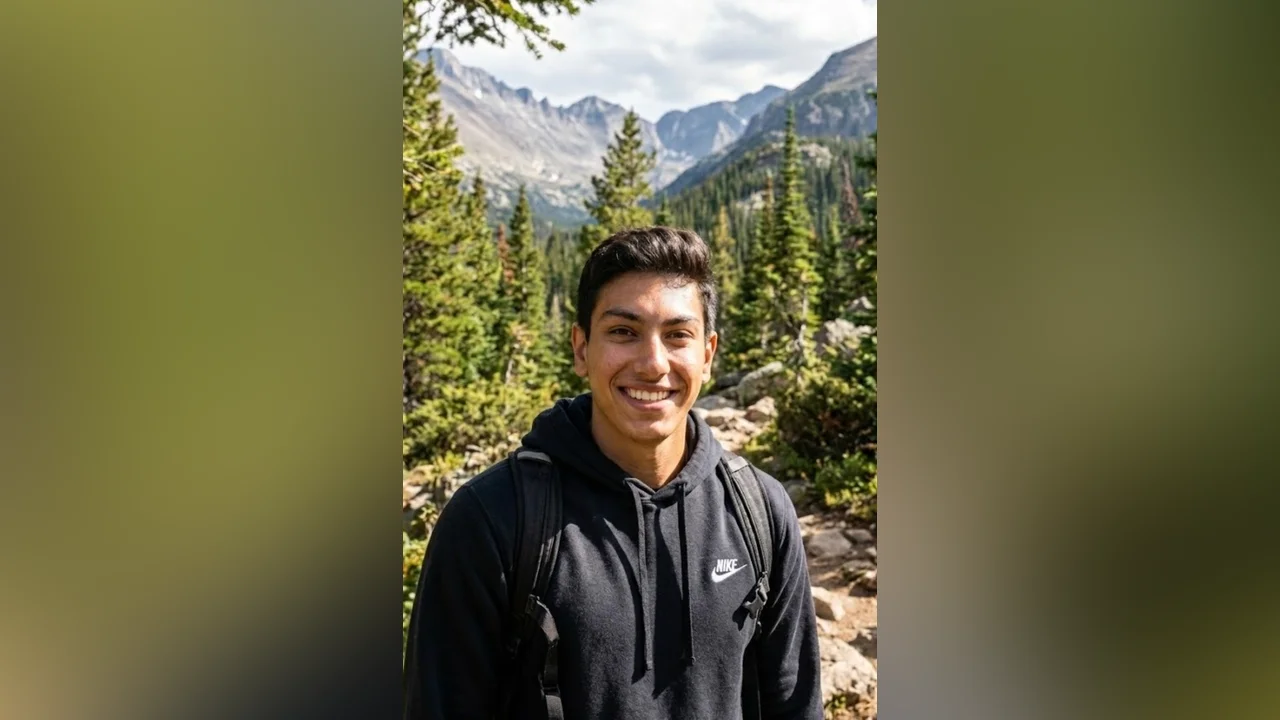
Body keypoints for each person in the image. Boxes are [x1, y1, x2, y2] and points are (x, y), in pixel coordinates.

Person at [403, 226, 822, 719]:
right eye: (623, 332)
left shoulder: (758, 511)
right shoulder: (493, 518)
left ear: (707, 354)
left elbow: (795, 707)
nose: (653, 364)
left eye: (677, 335)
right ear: (581, 348)